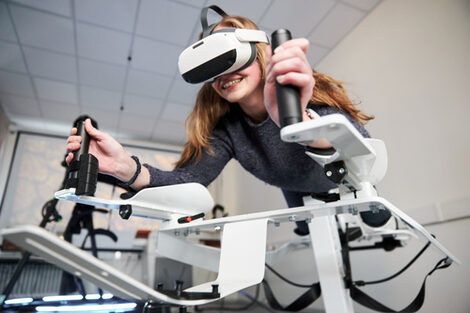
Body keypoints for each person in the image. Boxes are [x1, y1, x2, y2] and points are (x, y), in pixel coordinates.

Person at [66, 13, 388, 235]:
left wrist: (294, 118)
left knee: (374, 222)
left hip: (350, 182)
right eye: (212, 67)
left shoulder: (300, 93)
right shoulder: (228, 131)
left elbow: (362, 148)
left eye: (229, 57)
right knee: (306, 232)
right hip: (294, 192)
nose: (223, 74)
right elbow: (188, 180)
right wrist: (125, 167)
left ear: (259, 52)